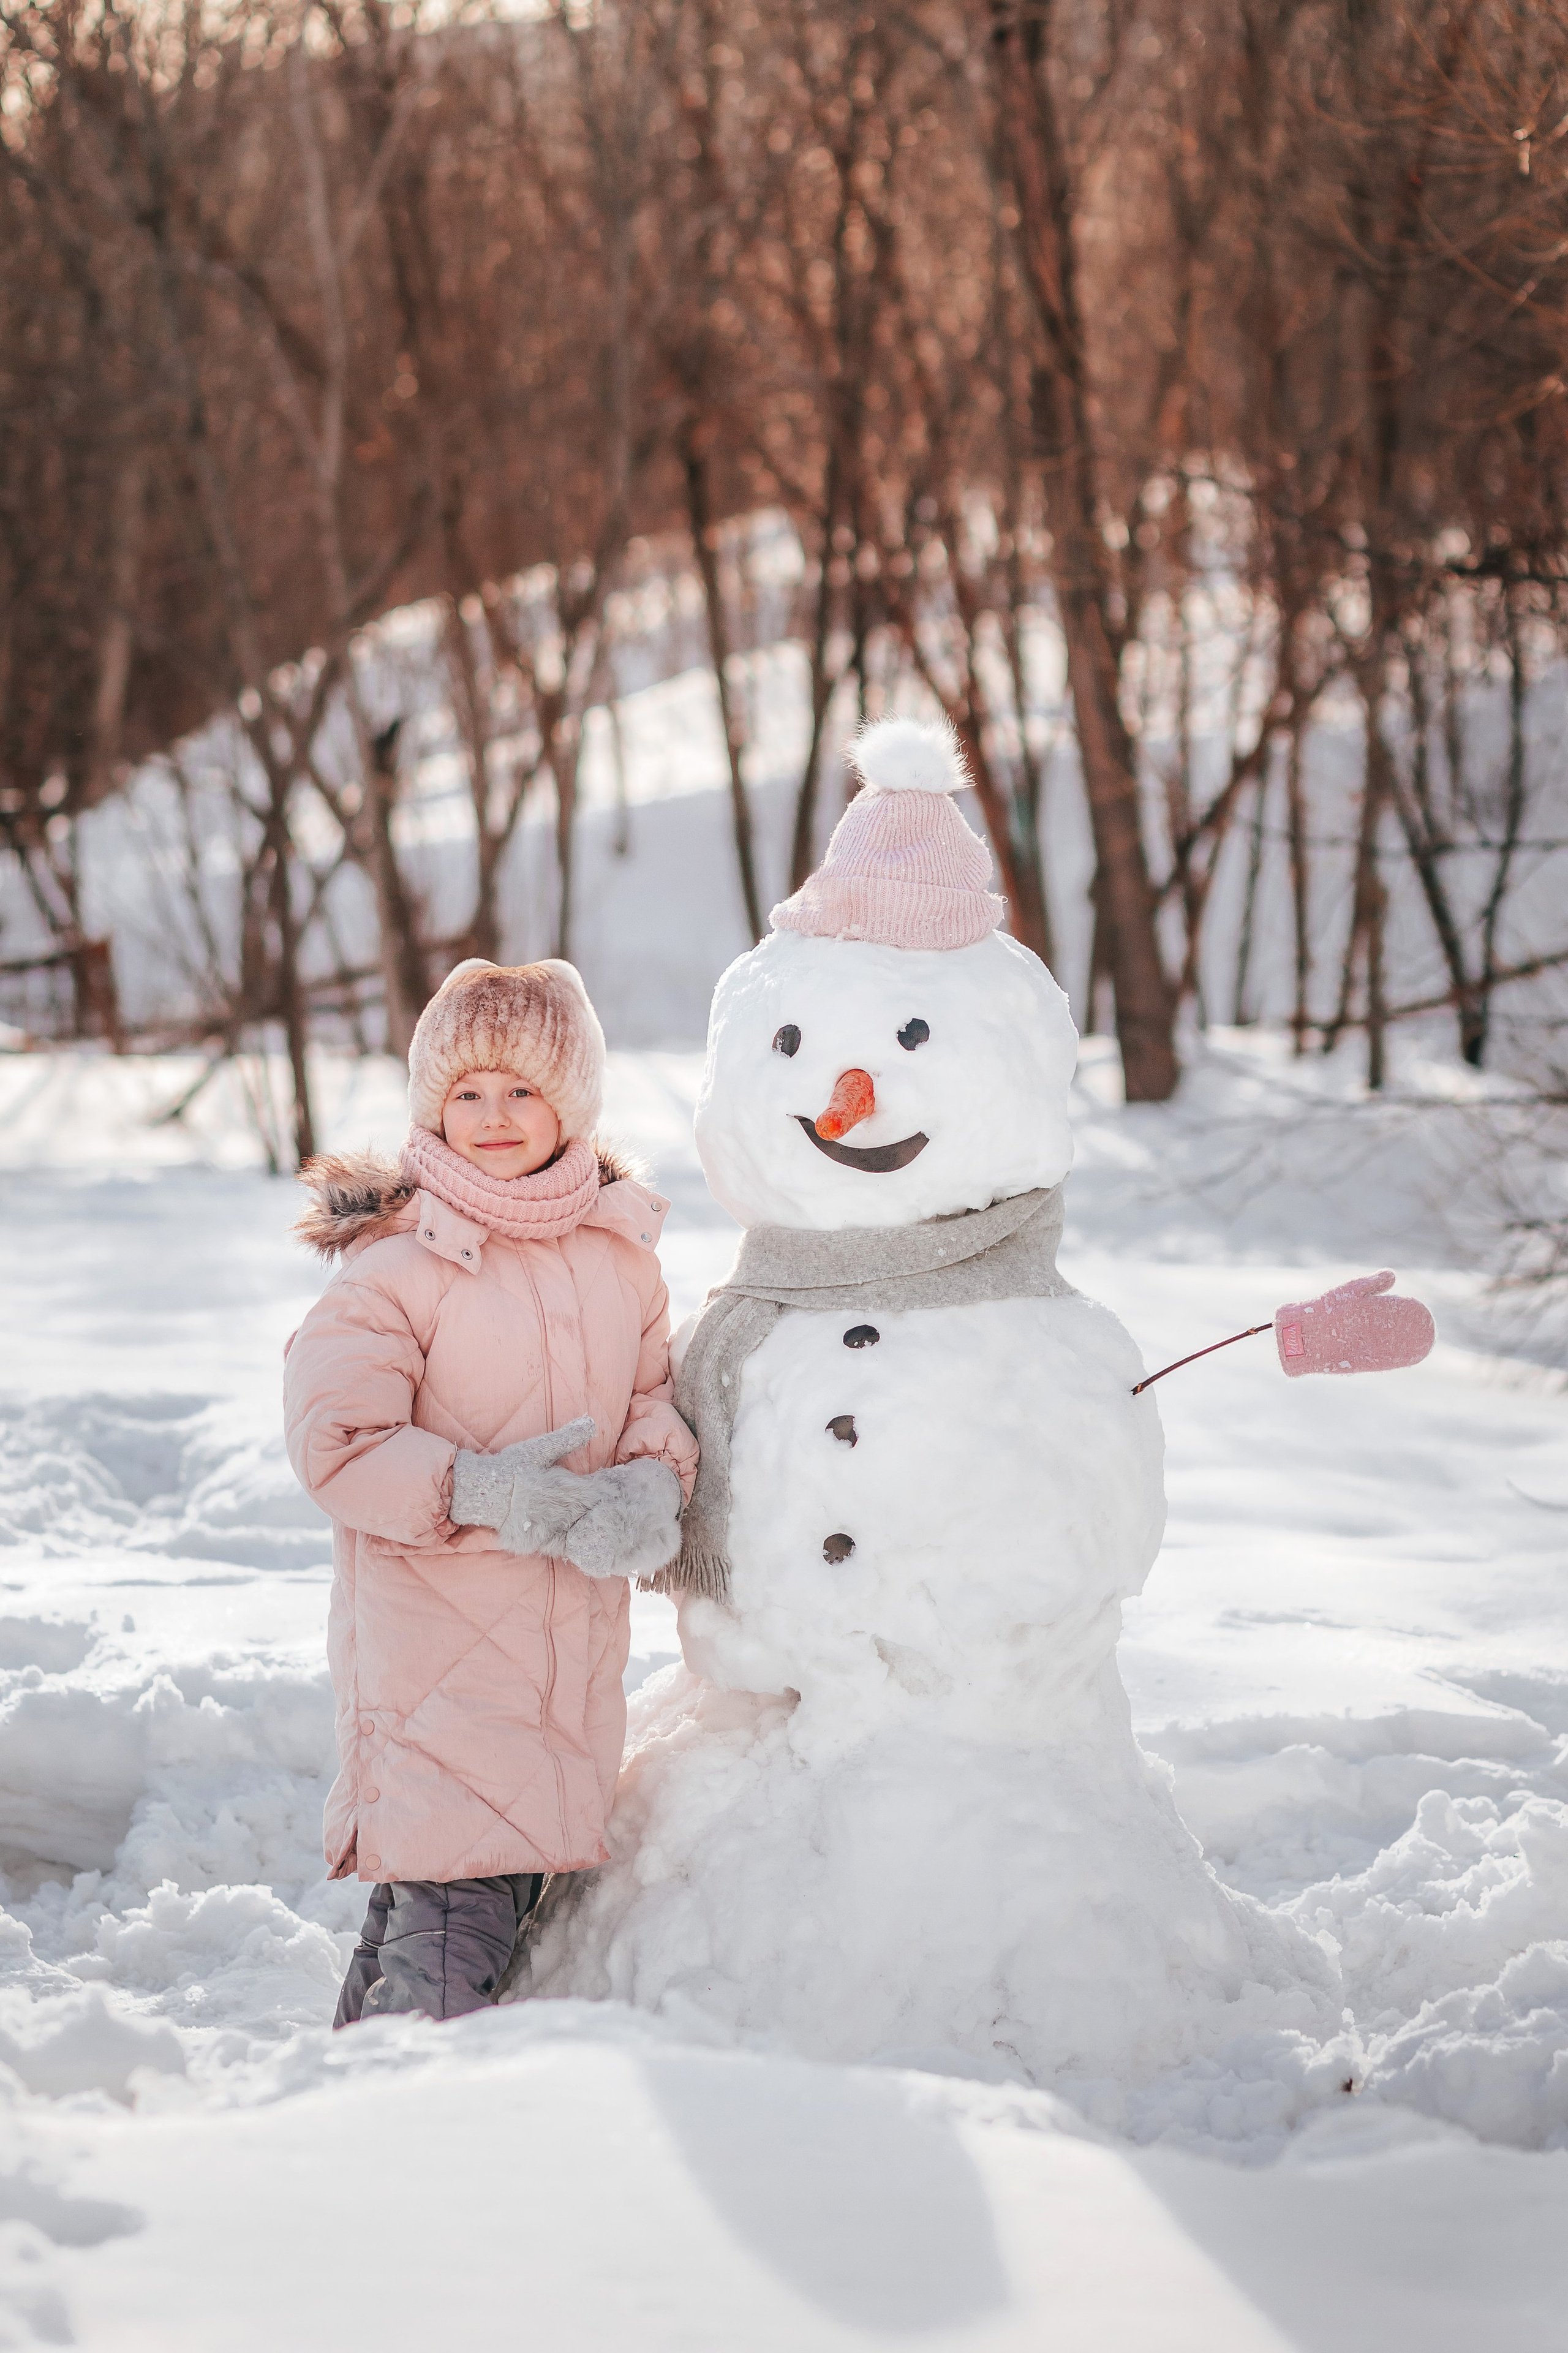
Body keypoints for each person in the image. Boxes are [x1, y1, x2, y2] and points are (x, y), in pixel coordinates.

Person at [284, 957, 697, 2025]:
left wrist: (652, 1485)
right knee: (455, 1912)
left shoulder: (622, 1259)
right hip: (437, 1663)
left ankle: (347, 2078)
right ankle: (415, 2104)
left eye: (522, 1088)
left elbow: (652, 1400)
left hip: (565, 1660)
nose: (494, 1115)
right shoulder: (398, 1265)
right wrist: (479, 1488)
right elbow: (338, 1441)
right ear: (433, 1107)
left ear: (572, 1102)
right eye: (466, 1092)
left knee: (456, 1900)